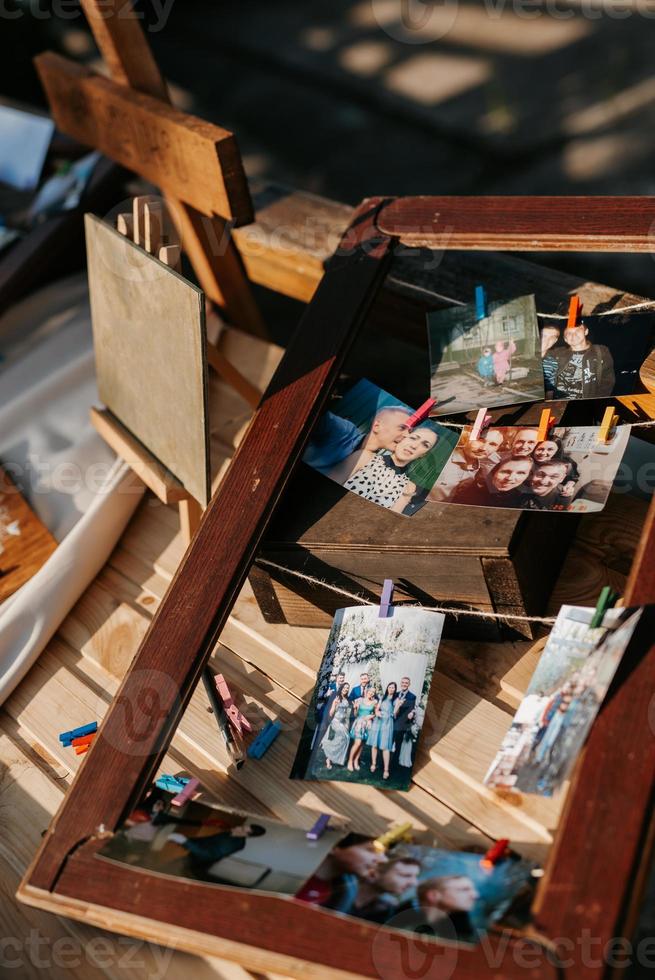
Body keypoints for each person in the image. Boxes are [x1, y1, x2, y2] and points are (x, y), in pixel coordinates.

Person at [336, 424, 438, 511]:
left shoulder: (409, 488)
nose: (414, 446)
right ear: (403, 438)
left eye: (425, 445)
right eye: (413, 438)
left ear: (423, 455)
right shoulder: (364, 457)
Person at [303, 405, 412, 477]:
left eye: (409, 431)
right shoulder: (344, 431)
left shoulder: (375, 466)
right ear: (377, 426)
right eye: (402, 428)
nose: (407, 435)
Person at [296, 833, 387, 911]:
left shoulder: (340, 895)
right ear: (334, 846)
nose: (383, 860)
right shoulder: (293, 875)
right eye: (371, 850)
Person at [397, 874, 480, 944]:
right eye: (464, 890)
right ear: (433, 895)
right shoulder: (395, 921)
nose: (475, 895)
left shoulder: (463, 928)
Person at [429, 428, 504, 502]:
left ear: (497, 449)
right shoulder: (442, 456)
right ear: (467, 438)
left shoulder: (483, 469)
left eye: (493, 444)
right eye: (480, 440)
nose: (483, 448)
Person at [167, 823, 266, 877]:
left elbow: (209, 855)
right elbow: (207, 840)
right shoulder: (227, 834)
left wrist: (185, 841)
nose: (239, 827)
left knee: (169, 873)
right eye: (243, 826)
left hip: (196, 865)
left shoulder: (236, 844)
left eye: (243, 829)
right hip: (192, 857)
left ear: (246, 835)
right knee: (168, 868)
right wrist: (187, 841)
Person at [551, 322, 615, 398]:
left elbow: (607, 382)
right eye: (569, 333)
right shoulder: (557, 353)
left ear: (586, 331)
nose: (573, 335)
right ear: (565, 339)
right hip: (558, 404)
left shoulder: (600, 352)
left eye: (577, 330)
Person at [350, 857, 422, 923]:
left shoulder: (382, 910)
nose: (414, 883)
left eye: (415, 877)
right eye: (405, 875)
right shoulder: (342, 891)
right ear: (374, 873)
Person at [447, 456, 534, 508]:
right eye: (505, 471)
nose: (510, 478)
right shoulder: (469, 492)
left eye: (521, 473)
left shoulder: (527, 501)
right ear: (494, 472)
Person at [320, 682, 352, 770]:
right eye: (345, 687)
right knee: (342, 737)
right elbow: (331, 713)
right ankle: (328, 757)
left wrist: (347, 726)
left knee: (346, 738)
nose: (346, 689)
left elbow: (347, 715)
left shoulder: (348, 700)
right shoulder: (337, 698)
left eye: (347, 688)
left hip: (342, 723)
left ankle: (331, 758)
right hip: (335, 722)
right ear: (341, 688)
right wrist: (335, 704)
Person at [369, 682, 397, 780]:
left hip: (387, 723)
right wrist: (377, 712)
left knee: (385, 747)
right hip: (378, 721)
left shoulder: (395, 700)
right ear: (387, 688)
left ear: (395, 689)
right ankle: (373, 764)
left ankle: (386, 770)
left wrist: (397, 707)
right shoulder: (383, 698)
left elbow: (395, 713)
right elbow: (376, 709)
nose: (391, 689)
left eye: (393, 687)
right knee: (375, 744)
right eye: (390, 687)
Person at [348, 687, 378, 772]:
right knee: (358, 743)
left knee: (362, 744)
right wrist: (355, 708)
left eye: (373, 692)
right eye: (370, 691)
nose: (371, 693)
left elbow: (376, 713)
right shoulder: (360, 700)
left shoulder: (374, 702)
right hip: (359, 723)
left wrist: (371, 716)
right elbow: (355, 714)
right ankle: (350, 761)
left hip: (367, 724)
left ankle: (356, 761)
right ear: (367, 691)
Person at [392, 676, 417, 769]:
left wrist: (411, 714)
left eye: (406, 683)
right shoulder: (396, 694)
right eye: (403, 682)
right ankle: (382, 762)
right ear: (400, 683)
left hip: (402, 724)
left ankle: (393, 765)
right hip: (391, 722)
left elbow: (411, 710)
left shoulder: (412, 696)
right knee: (387, 743)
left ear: (409, 684)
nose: (404, 684)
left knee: (398, 745)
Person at [541, 324, 561, 395]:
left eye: (551, 337)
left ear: (555, 341)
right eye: (544, 336)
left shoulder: (552, 363)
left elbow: (549, 390)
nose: (547, 340)